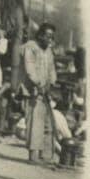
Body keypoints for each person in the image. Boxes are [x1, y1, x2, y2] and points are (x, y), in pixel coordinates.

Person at [22, 22, 58, 164]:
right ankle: (33, 155)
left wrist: (52, 82)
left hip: (46, 91)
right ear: (40, 35)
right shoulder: (31, 46)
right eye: (47, 35)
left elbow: (52, 69)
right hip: (33, 91)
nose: (50, 39)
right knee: (35, 123)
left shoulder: (48, 50)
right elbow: (29, 68)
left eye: (52, 36)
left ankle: (46, 156)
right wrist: (38, 83)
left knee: (48, 123)